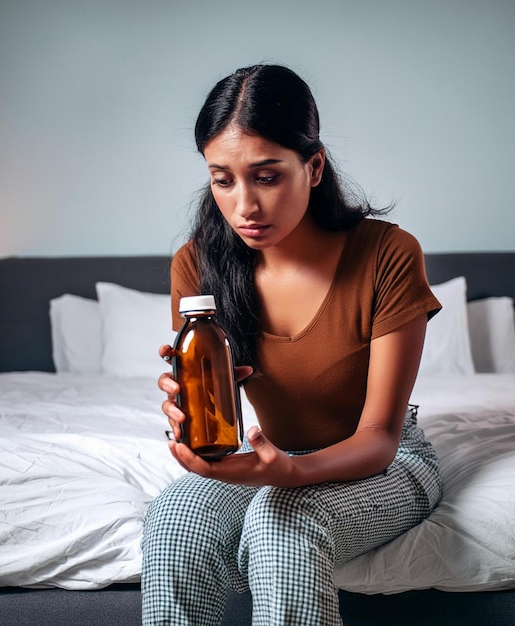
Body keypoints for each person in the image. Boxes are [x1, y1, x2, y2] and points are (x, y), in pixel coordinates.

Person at [141, 64, 443, 626]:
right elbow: (221, 418)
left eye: (267, 176)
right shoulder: (198, 265)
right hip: (271, 454)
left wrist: (290, 476)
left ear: (315, 165)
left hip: (386, 460)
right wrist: (194, 414)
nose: (244, 207)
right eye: (222, 179)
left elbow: (378, 439)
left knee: (282, 523)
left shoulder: (387, 254)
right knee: (174, 518)